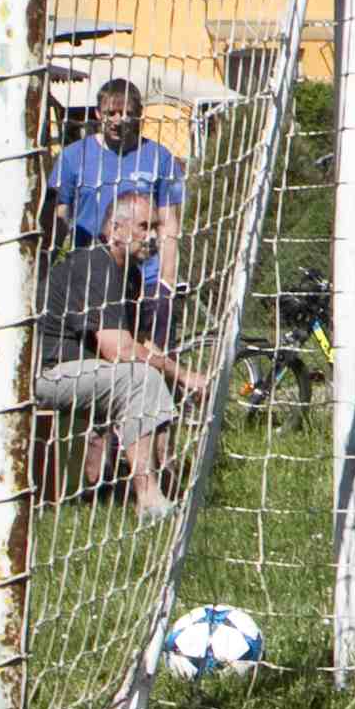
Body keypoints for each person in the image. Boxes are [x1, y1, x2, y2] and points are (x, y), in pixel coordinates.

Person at [33, 191, 208, 515]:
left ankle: (167, 484)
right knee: (141, 379)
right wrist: (181, 373)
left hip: (85, 371)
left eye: (156, 226)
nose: (154, 236)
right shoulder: (95, 264)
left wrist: (181, 377)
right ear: (115, 229)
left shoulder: (131, 275)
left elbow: (139, 342)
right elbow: (120, 351)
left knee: (157, 377)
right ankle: (148, 497)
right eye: (145, 226)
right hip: (47, 373)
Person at [49, 80, 185, 286]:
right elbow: (59, 220)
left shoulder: (159, 157)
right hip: (89, 276)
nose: (118, 120)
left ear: (139, 114)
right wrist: (48, 271)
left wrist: (167, 282)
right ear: (97, 113)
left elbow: (169, 224)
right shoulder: (73, 156)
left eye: (126, 113)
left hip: (144, 279)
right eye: (110, 113)